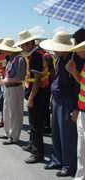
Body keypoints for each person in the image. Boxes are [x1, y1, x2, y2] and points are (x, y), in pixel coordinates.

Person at [40, 31, 78, 177]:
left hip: (67, 101)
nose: (54, 49)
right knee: (56, 131)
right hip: (56, 99)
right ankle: (57, 159)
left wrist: (75, 107)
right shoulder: (59, 59)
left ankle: (69, 165)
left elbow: (77, 86)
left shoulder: (73, 61)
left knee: (67, 135)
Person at [16, 30, 49, 163]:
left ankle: (37, 153)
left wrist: (31, 98)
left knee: (36, 125)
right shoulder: (34, 54)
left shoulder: (36, 56)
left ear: (29, 43)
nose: (21, 48)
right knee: (32, 123)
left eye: (23, 45)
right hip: (37, 93)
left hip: (38, 94)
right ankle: (31, 145)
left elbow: (37, 79)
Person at [0, 38, 26, 144]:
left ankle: (14, 137)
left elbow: (20, 78)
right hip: (8, 88)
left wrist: (4, 81)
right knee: (6, 112)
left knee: (14, 114)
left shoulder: (20, 59)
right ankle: (8, 133)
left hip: (15, 88)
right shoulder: (12, 58)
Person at [65, 29, 85, 180]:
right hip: (82, 111)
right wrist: (73, 72)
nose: (76, 51)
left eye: (78, 46)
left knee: (82, 151)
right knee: (81, 151)